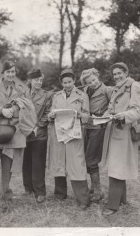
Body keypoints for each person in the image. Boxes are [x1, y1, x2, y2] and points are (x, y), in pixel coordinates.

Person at [0, 60, 36, 205]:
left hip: (13, 131)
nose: (11, 74)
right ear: (3, 73)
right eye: (8, 72)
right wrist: (1, 111)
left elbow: (28, 105)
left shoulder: (21, 88)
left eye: (13, 71)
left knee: (8, 165)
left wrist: (15, 109)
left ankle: (6, 194)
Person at [100, 62, 140, 216]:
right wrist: (105, 115)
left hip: (124, 133)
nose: (117, 76)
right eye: (115, 74)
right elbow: (111, 108)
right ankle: (122, 199)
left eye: (119, 73)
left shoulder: (134, 86)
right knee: (117, 166)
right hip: (114, 132)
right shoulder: (117, 88)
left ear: (126, 72)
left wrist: (122, 116)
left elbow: (137, 111)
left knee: (116, 169)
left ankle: (112, 206)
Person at [48, 68, 90, 210]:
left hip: (74, 134)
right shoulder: (56, 96)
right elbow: (51, 113)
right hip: (59, 133)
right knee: (59, 161)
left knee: (76, 164)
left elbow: (87, 116)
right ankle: (60, 193)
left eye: (69, 82)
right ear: (61, 83)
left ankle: (83, 199)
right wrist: (51, 115)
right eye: (64, 82)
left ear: (74, 81)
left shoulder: (82, 95)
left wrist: (78, 114)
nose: (67, 85)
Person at [79, 68, 113, 202]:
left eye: (93, 80)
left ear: (97, 76)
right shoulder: (86, 91)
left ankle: (98, 191)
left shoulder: (107, 90)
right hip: (87, 125)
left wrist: (106, 115)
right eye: (89, 82)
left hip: (99, 126)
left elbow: (113, 105)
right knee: (87, 157)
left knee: (91, 158)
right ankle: (93, 187)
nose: (92, 83)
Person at [22, 69, 53, 203]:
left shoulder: (47, 95)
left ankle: (40, 192)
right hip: (24, 133)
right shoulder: (23, 93)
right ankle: (28, 189)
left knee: (38, 163)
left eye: (40, 80)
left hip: (39, 133)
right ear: (30, 80)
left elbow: (48, 113)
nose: (39, 83)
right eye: (36, 80)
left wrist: (38, 126)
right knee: (26, 162)